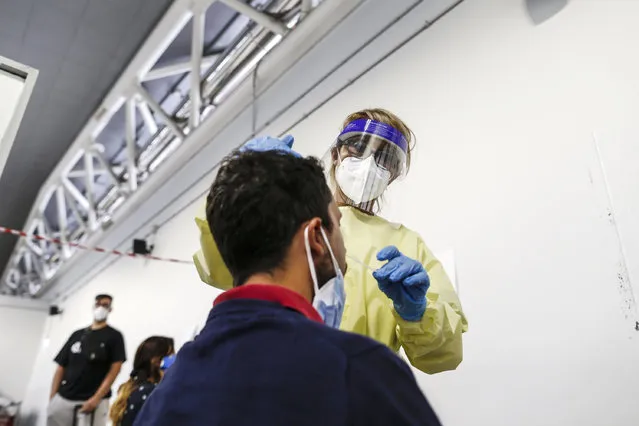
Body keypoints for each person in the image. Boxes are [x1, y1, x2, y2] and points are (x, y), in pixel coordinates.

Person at [135, 150, 441, 425]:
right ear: (316, 238)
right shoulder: (359, 370)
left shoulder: (167, 393)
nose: (345, 250)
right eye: (338, 227)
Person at [193, 108, 468, 374]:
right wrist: (236, 187)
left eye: (385, 159)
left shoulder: (405, 244)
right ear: (336, 154)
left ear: (394, 174)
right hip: (275, 376)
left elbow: (443, 356)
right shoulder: (291, 212)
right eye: (357, 148)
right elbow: (217, 266)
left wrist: (417, 313)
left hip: (357, 395)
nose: (370, 163)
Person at [47, 294, 126, 426]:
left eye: (105, 305)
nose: (101, 307)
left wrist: (96, 398)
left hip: (91, 402)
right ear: (93, 306)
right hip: (64, 398)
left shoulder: (114, 336)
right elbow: (61, 366)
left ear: (110, 309)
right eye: (98, 304)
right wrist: (53, 398)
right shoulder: (77, 335)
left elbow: (115, 369)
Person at [109, 336, 175, 426]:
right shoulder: (152, 393)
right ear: (157, 362)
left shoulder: (133, 388)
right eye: (171, 358)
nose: (174, 363)